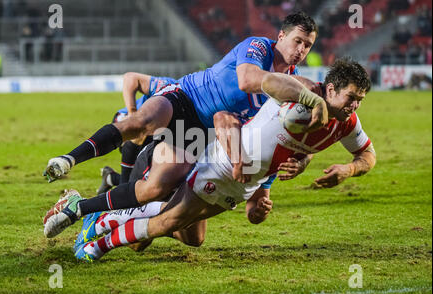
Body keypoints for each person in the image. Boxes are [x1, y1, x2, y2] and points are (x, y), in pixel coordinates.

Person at [44, 58, 376, 263]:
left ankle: (106, 222)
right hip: (213, 159)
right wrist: (308, 97)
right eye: (350, 97)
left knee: (191, 237)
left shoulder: (346, 123)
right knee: (165, 215)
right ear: (329, 88)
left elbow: (367, 155)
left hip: (247, 182)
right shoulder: (299, 90)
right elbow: (267, 84)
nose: (354, 106)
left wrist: (347, 169)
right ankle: (97, 232)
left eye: (359, 100)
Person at [43, 11, 326, 193]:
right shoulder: (258, 47)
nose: (301, 50)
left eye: (307, 45)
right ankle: (68, 159)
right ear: (281, 36)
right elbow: (247, 80)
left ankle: (111, 192)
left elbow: (288, 131)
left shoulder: (293, 80)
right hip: (185, 97)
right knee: (140, 122)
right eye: (297, 41)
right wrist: (307, 94)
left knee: (156, 190)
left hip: (202, 134)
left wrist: (303, 161)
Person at [97, 73, 178, 194]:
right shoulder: (171, 85)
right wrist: (132, 112)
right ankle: (121, 194)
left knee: (152, 179)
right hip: (127, 121)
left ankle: (112, 179)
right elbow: (130, 78)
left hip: (156, 130)